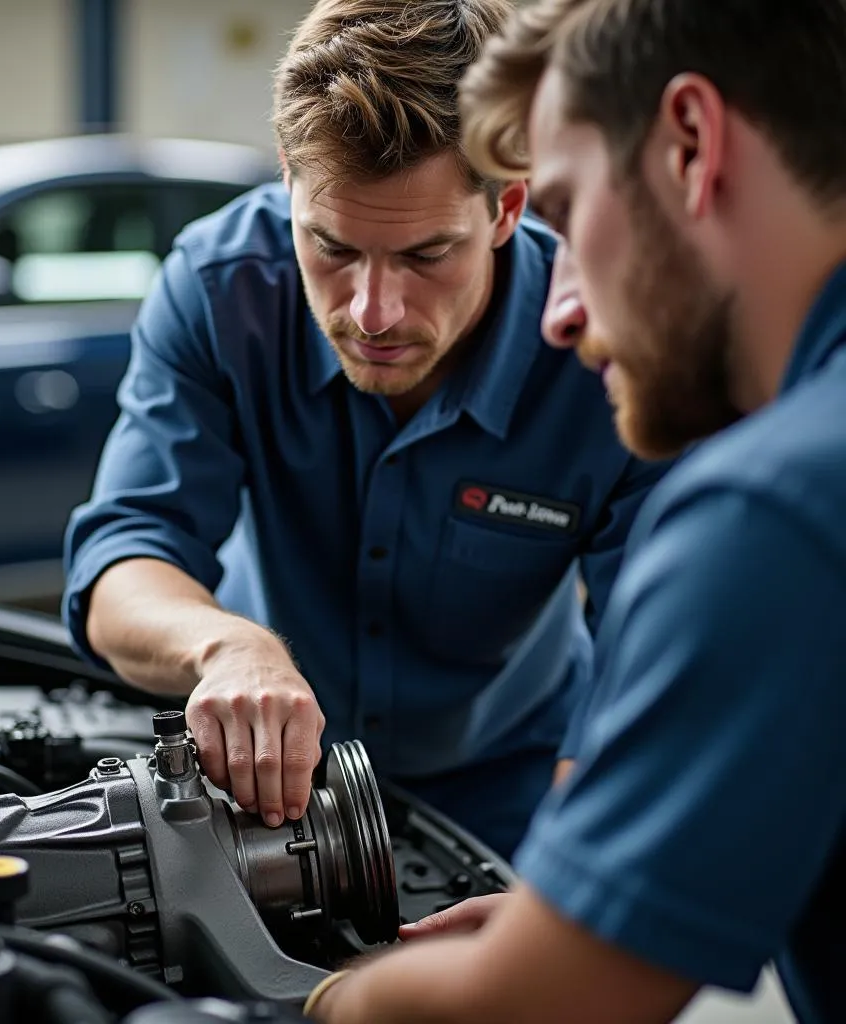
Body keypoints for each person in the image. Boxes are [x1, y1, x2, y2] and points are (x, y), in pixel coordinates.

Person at [302, 0, 846, 1021]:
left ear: (689, 144)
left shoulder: (776, 512)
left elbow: (530, 1008)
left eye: (564, 200)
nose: (558, 310)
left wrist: (322, 1002)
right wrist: (566, 918)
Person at [62, 0, 666, 859]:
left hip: (515, 791)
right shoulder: (216, 290)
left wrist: (575, 860)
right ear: (287, 180)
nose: (372, 312)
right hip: (267, 794)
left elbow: (660, 651)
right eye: (332, 247)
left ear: (506, 208)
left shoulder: (608, 345)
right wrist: (229, 650)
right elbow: (123, 555)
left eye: (426, 256)